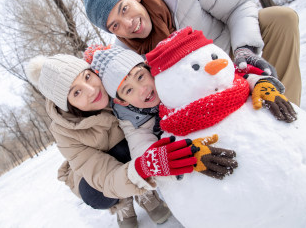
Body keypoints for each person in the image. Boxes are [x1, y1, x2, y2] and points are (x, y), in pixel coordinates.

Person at [25, 54, 204, 228]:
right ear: (67, 104)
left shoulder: (112, 79)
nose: (91, 90)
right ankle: (123, 202)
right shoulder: (64, 131)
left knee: (136, 139)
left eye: (87, 77)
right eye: (77, 92)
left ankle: (141, 191)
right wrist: (143, 168)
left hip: (131, 147)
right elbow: (102, 175)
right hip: (96, 173)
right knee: (95, 194)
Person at [83, 0, 301, 106]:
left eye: (124, 8)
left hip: (232, 53)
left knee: (280, 18)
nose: (128, 23)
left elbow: (239, 4)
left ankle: (286, 106)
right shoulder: (125, 54)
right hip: (198, 90)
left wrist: (245, 49)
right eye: (115, 25)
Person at [85, 44, 239, 179]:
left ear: (148, 68)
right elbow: (140, 147)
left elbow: (210, 78)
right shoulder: (130, 118)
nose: (142, 89)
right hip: (179, 141)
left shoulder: (169, 76)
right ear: (122, 101)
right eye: (129, 89)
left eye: (140, 77)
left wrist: (252, 80)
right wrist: (172, 156)